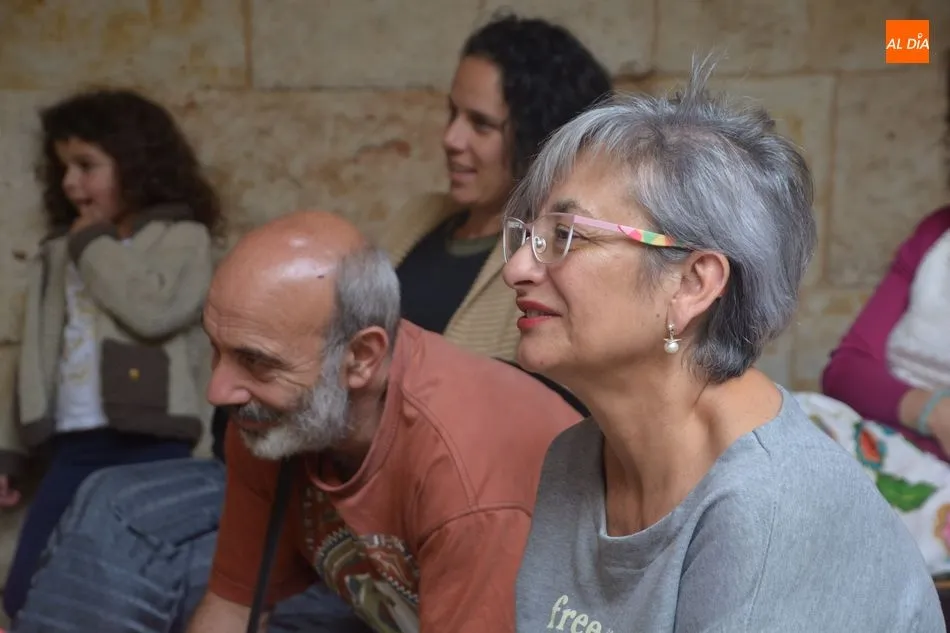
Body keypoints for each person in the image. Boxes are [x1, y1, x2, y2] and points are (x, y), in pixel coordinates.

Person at [10, 13, 604, 632]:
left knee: (125, 518)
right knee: (108, 500)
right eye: (451, 113)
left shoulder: (532, 281)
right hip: (324, 464)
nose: (451, 138)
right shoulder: (420, 220)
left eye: (480, 124)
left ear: (537, 132)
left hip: (416, 494)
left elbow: (514, 419)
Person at [501, 55, 945, 631]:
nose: (516, 269)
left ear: (692, 284)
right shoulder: (575, 459)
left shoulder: (772, 504)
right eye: (528, 235)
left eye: (566, 235)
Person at [183, 209, 580, 632]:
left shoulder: (465, 475)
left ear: (361, 357)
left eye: (255, 361)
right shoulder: (269, 420)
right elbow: (234, 605)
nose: (218, 391)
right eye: (217, 349)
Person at [0, 88, 221, 621]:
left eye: (86, 165)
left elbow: (154, 312)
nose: (70, 183)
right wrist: (8, 452)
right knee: (24, 589)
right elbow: (31, 359)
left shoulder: (183, 239)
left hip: (157, 445)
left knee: (149, 587)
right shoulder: (58, 251)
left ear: (136, 162)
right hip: (73, 446)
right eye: (62, 168)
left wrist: (94, 245)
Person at [790, 55, 950, 581]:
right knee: (790, 419)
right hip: (885, 450)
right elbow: (846, 371)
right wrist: (936, 413)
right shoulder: (937, 236)